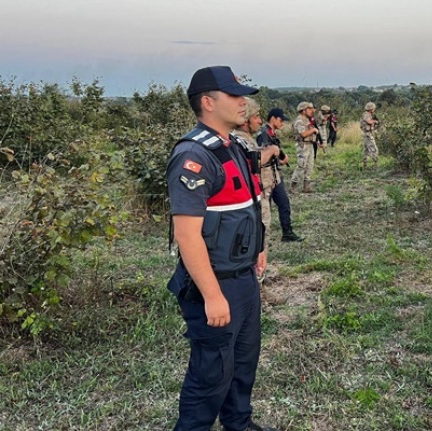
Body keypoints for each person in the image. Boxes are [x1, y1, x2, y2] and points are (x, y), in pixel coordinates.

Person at [165, 65, 279, 431]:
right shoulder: (194, 156)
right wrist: (213, 296)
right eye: (234, 95)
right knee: (211, 373)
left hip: (243, 278)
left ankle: (239, 424)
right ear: (208, 102)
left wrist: (257, 249)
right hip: (213, 284)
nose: (243, 102)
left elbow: (244, 207)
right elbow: (187, 235)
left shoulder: (235, 147)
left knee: (244, 363)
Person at [233, 99, 289, 305]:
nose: (259, 121)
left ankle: (257, 289)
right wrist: (272, 151)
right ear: (244, 120)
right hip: (254, 200)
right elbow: (253, 161)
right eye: (255, 117)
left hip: (260, 195)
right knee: (258, 244)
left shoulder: (245, 137)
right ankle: (257, 293)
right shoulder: (240, 139)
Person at [256, 107, 304, 243]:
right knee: (266, 207)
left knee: (284, 203)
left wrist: (280, 160)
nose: (282, 123)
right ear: (273, 119)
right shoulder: (263, 135)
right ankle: (262, 238)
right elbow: (262, 157)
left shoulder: (271, 133)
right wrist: (280, 160)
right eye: (281, 120)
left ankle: (287, 232)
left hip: (275, 174)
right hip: (266, 176)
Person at [290, 101, 322, 193]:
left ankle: (306, 186)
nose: (312, 110)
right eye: (309, 109)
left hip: (310, 144)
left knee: (309, 165)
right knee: (301, 165)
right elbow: (303, 134)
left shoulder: (308, 120)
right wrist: (313, 130)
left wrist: (317, 140)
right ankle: (293, 186)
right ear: (303, 110)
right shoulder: (299, 121)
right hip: (303, 145)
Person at [360, 101, 379, 168]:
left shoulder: (367, 114)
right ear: (371, 109)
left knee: (366, 150)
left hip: (367, 134)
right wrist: (375, 121)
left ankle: (364, 165)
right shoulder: (366, 114)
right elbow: (369, 121)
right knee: (374, 149)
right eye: (373, 108)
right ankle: (375, 164)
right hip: (368, 134)